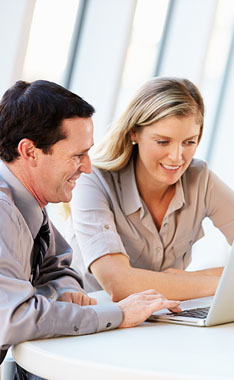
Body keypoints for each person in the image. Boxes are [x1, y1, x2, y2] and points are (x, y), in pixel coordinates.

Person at [0, 80, 180, 379]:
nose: (86, 167)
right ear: (30, 151)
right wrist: (117, 315)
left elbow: (59, 267)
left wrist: (65, 291)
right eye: (76, 155)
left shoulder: (29, 206)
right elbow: (13, 316)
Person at [69, 76, 234, 301]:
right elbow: (118, 283)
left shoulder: (200, 179)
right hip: (97, 323)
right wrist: (217, 283)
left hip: (163, 321)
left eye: (189, 142)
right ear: (134, 132)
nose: (177, 157)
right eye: (163, 142)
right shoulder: (93, 180)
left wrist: (190, 280)